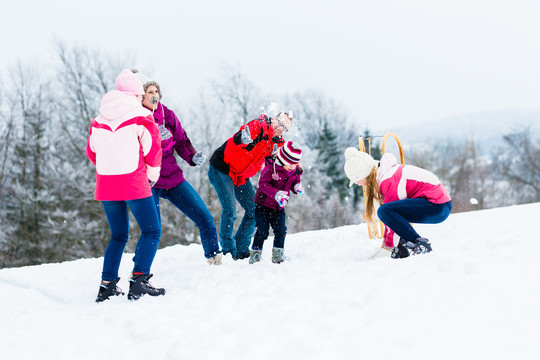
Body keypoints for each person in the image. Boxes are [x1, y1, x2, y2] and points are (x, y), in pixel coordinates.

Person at [87, 69, 165, 302]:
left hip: (107, 184)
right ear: (136, 93)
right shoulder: (141, 115)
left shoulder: (98, 120)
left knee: (118, 235)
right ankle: (139, 280)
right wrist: (152, 175)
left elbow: (92, 152)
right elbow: (153, 150)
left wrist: (110, 168)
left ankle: (107, 284)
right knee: (152, 230)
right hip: (133, 182)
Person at [131, 70, 222, 265]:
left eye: (156, 91)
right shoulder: (136, 118)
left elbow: (181, 140)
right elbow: (135, 151)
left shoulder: (168, 115)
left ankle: (214, 259)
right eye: (149, 92)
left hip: (172, 178)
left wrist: (193, 155)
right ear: (140, 97)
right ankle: (138, 270)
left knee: (205, 218)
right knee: (152, 230)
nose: (154, 95)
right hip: (149, 182)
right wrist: (158, 141)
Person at [208, 112, 293, 260]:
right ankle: (228, 252)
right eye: (279, 123)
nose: (280, 128)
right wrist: (242, 137)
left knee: (255, 211)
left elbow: (283, 162)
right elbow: (240, 136)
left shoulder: (276, 144)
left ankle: (241, 250)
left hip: (240, 175)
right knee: (230, 210)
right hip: (222, 168)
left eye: (285, 128)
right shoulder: (259, 126)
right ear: (273, 119)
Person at [343, 148, 452, 259]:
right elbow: (391, 219)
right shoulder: (385, 175)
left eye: (357, 180)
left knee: (384, 211)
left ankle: (419, 244)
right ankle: (401, 246)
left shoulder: (388, 179)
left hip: (437, 205)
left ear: (364, 174)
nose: (358, 184)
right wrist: (385, 242)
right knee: (388, 212)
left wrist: (387, 247)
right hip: (438, 205)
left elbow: (388, 213)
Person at [249, 141, 303, 264]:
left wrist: (296, 187)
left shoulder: (295, 170)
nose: (292, 167)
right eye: (290, 164)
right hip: (262, 205)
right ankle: (255, 255)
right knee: (262, 231)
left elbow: (295, 181)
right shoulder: (270, 168)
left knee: (281, 230)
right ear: (283, 159)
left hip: (279, 206)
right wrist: (276, 194)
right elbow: (263, 184)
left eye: (295, 164)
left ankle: (278, 255)